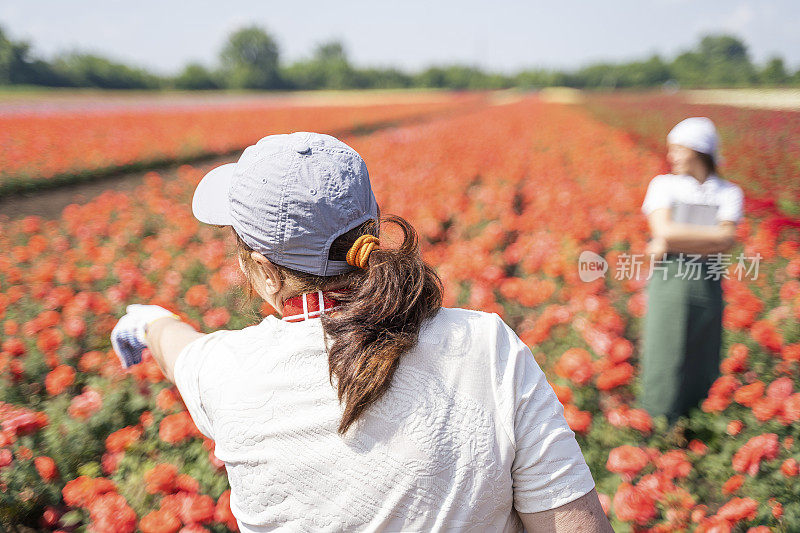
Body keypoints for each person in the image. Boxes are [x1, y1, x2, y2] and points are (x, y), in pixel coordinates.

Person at [111, 132, 613, 532]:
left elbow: (177, 347)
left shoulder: (227, 371)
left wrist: (146, 319)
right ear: (370, 227)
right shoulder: (484, 345)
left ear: (262, 271)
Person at [638, 117, 744, 427]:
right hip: (670, 278)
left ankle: (696, 423)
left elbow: (726, 240)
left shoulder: (727, 192)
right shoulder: (664, 184)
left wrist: (672, 238)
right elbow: (665, 230)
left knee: (702, 349)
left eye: (678, 150)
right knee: (664, 349)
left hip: (707, 279)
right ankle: (658, 423)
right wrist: (708, 236)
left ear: (699, 152)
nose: (671, 157)